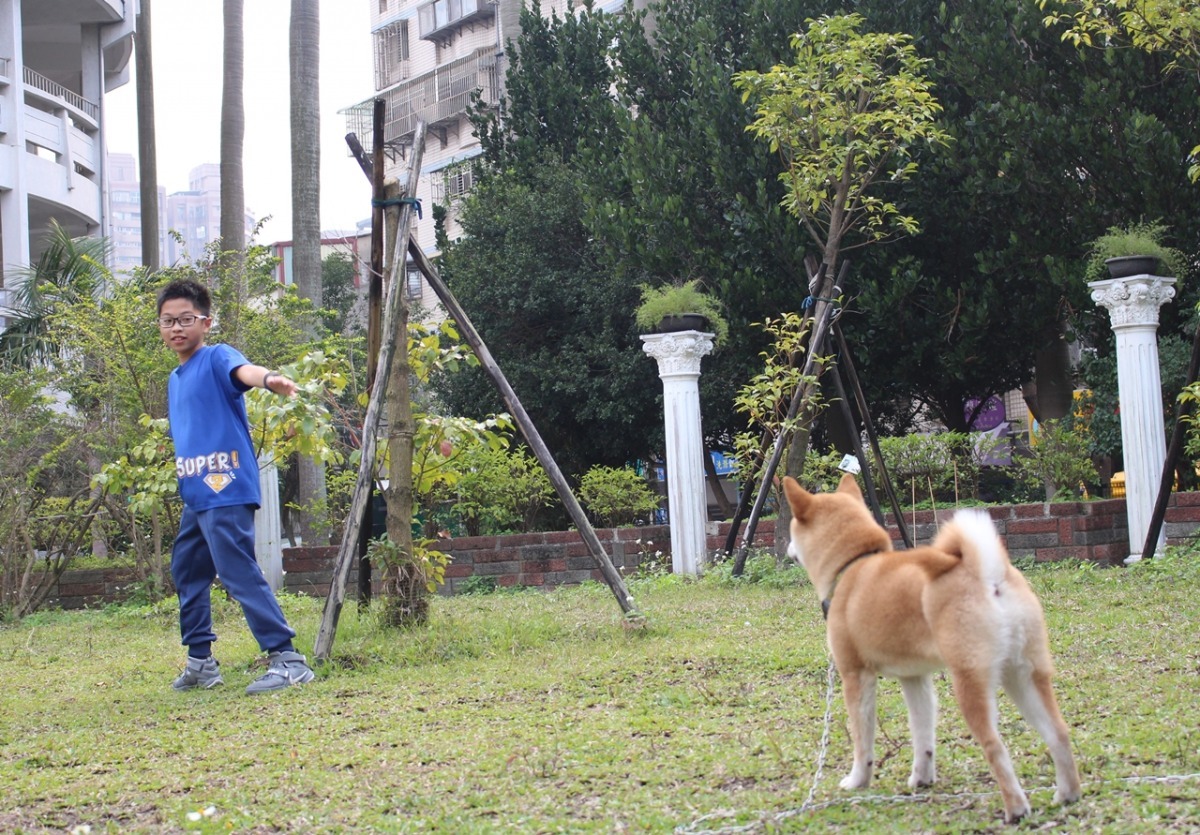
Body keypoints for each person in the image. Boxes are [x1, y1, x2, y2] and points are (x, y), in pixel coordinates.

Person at [157, 278, 315, 695]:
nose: (177, 328)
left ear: (205, 322)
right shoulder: (176, 377)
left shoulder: (215, 357)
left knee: (235, 568)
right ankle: (201, 663)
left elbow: (243, 371)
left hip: (225, 485)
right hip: (197, 492)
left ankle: (287, 659)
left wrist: (271, 380)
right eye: (168, 321)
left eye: (186, 319)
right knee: (187, 571)